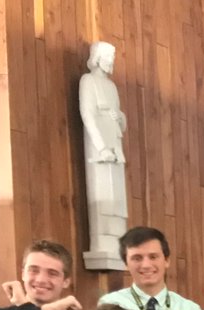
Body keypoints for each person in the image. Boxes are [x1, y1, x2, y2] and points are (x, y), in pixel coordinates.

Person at [79, 41, 127, 266]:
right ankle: (104, 242)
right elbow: (88, 114)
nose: (111, 62)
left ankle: (118, 242)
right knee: (103, 194)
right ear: (98, 57)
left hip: (115, 141)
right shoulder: (88, 81)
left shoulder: (111, 87)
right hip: (101, 147)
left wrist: (120, 118)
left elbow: (120, 118)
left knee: (117, 197)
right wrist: (101, 147)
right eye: (108, 57)